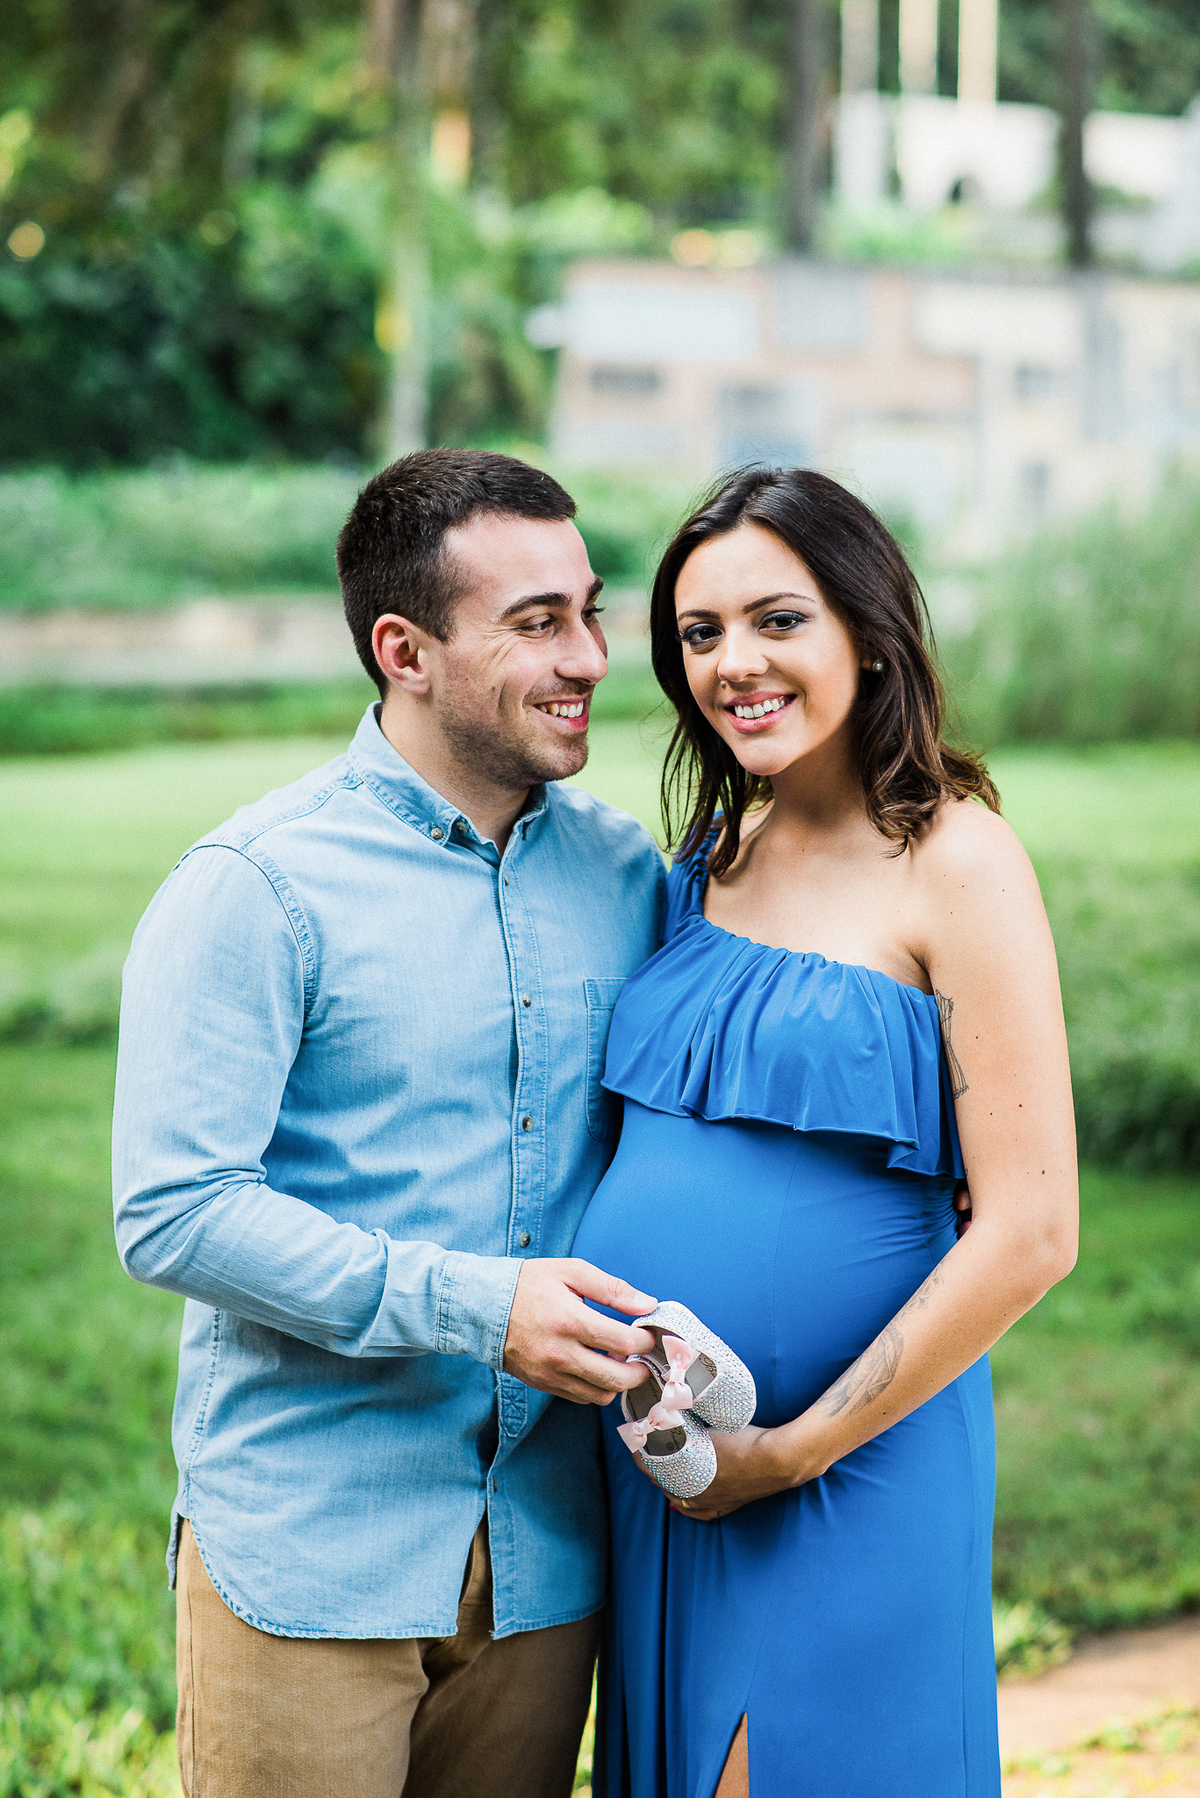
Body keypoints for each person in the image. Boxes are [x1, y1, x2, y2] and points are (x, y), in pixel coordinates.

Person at [112, 449, 666, 1798]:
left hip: (547, 1560)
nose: (590, 657)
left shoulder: (628, 877)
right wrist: (483, 1306)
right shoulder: (256, 885)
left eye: (591, 612)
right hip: (312, 1553)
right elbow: (174, 1210)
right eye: (537, 622)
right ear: (404, 651)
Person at [573, 467, 1079, 1798]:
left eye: (777, 619)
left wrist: (788, 1454)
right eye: (700, 632)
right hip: (678, 1456)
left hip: (852, 1462)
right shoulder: (704, 861)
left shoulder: (957, 860)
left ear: (869, 627)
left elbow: (1034, 1231)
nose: (734, 662)